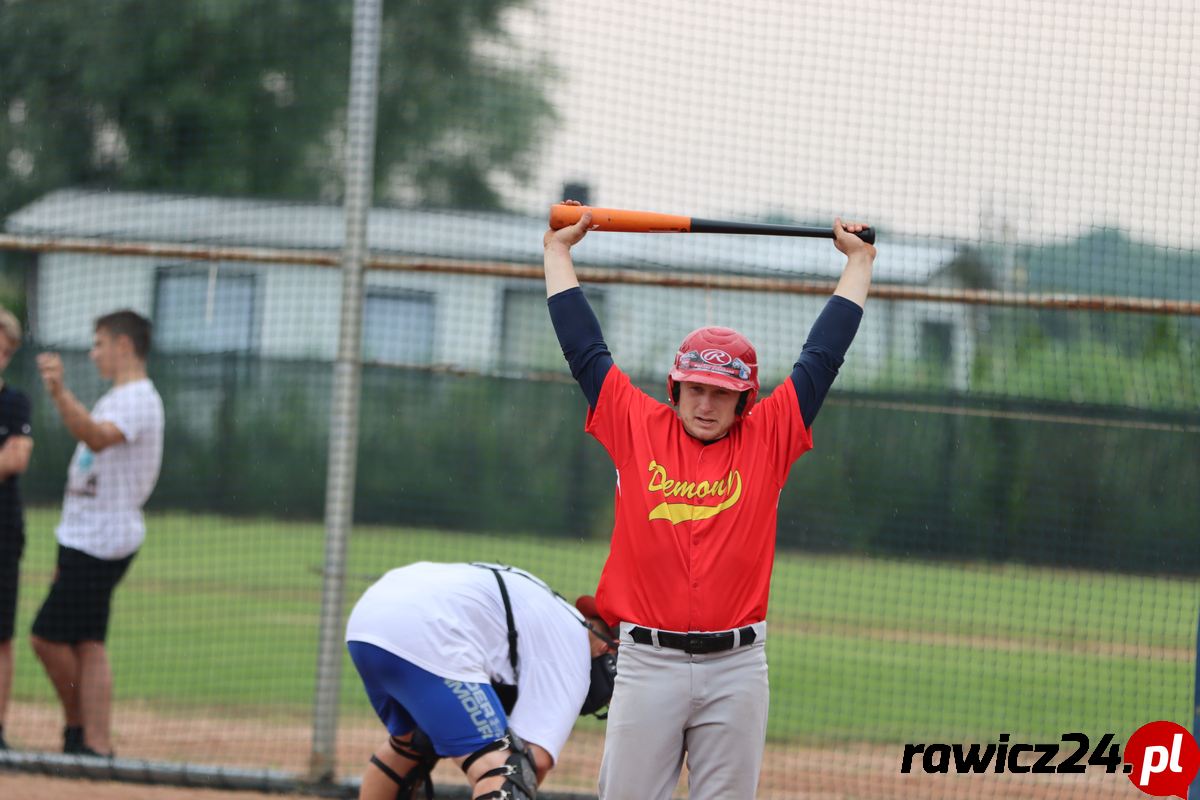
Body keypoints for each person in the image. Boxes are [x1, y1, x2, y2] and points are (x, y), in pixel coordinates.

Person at [542, 200, 877, 799]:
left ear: (745, 399)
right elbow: (584, 350)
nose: (705, 403)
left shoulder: (769, 437)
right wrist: (557, 253)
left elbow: (822, 358)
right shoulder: (635, 425)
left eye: (722, 393)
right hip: (647, 664)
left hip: (736, 668)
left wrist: (858, 264)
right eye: (695, 389)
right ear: (675, 388)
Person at [345, 561, 618, 800]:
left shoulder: (551, 613)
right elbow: (538, 761)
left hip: (367, 623)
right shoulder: (573, 652)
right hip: (426, 633)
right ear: (610, 649)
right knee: (506, 767)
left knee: (412, 743)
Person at [31, 309, 164, 758]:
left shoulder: (138, 398)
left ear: (124, 345)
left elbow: (96, 437)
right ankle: (93, 742)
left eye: (100, 343)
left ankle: (80, 726)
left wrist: (58, 392)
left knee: (45, 637)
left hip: (100, 541)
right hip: (86, 536)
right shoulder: (120, 395)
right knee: (87, 641)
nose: (94, 353)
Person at [0, 308, 33, 751]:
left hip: (2, 530)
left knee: (1, 635)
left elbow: (16, 460)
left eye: (5, 350)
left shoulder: (15, 402)